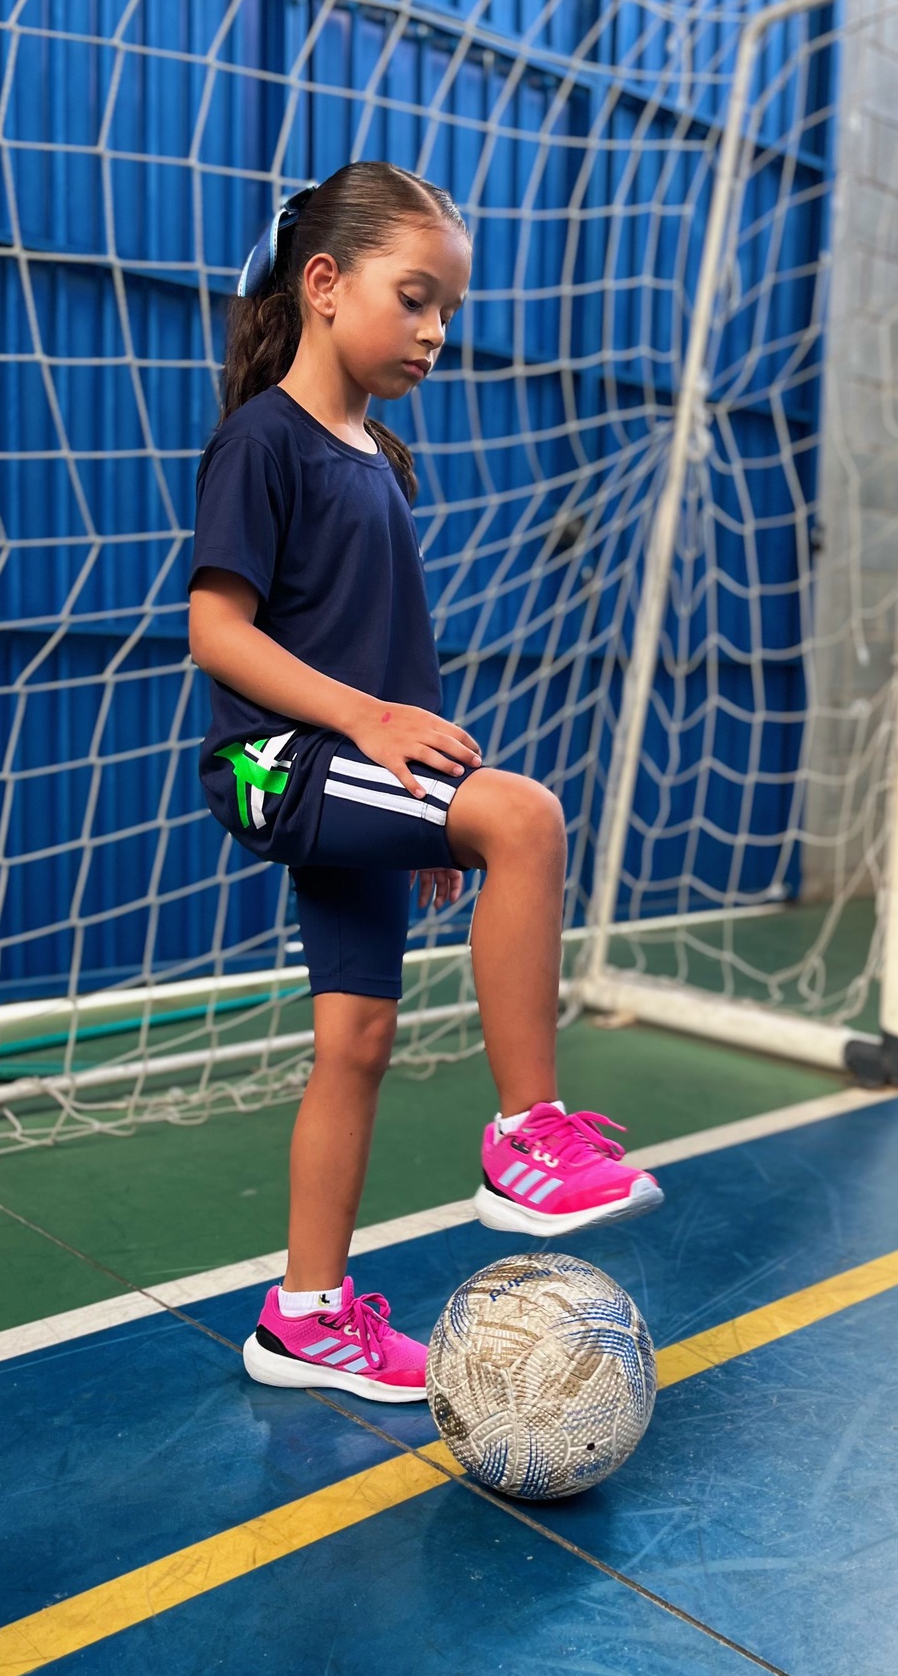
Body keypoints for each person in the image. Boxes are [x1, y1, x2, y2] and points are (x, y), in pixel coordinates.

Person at [188, 162, 663, 1404]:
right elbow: (216, 633)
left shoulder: (381, 459)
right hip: (275, 762)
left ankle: (305, 1317)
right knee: (530, 814)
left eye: (449, 308)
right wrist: (383, 738)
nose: (437, 331)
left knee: (356, 1039)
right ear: (324, 284)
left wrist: (428, 814)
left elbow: (390, 650)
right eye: (415, 298)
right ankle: (527, 1143)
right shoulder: (263, 440)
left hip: (355, 768)